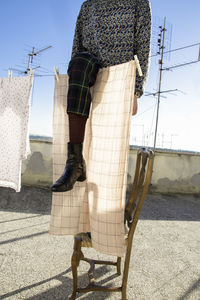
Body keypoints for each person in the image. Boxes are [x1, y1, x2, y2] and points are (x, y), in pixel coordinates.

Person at [51, 0, 152, 192]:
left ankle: (108, 204)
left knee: (108, 150)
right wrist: (74, 82)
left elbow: (143, 47)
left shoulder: (139, 3)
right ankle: (75, 162)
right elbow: (77, 46)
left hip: (121, 74)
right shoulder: (88, 6)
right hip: (90, 68)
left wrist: (136, 90)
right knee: (79, 61)